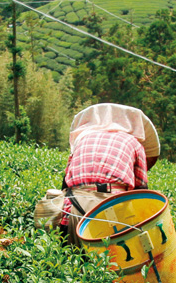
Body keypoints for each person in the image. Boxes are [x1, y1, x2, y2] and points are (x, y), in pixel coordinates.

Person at [58, 103, 159, 244]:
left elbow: (65, 183)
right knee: (112, 261)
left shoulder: (82, 139)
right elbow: (141, 191)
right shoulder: (134, 144)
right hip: (112, 207)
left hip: (74, 206)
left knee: (73, 259)